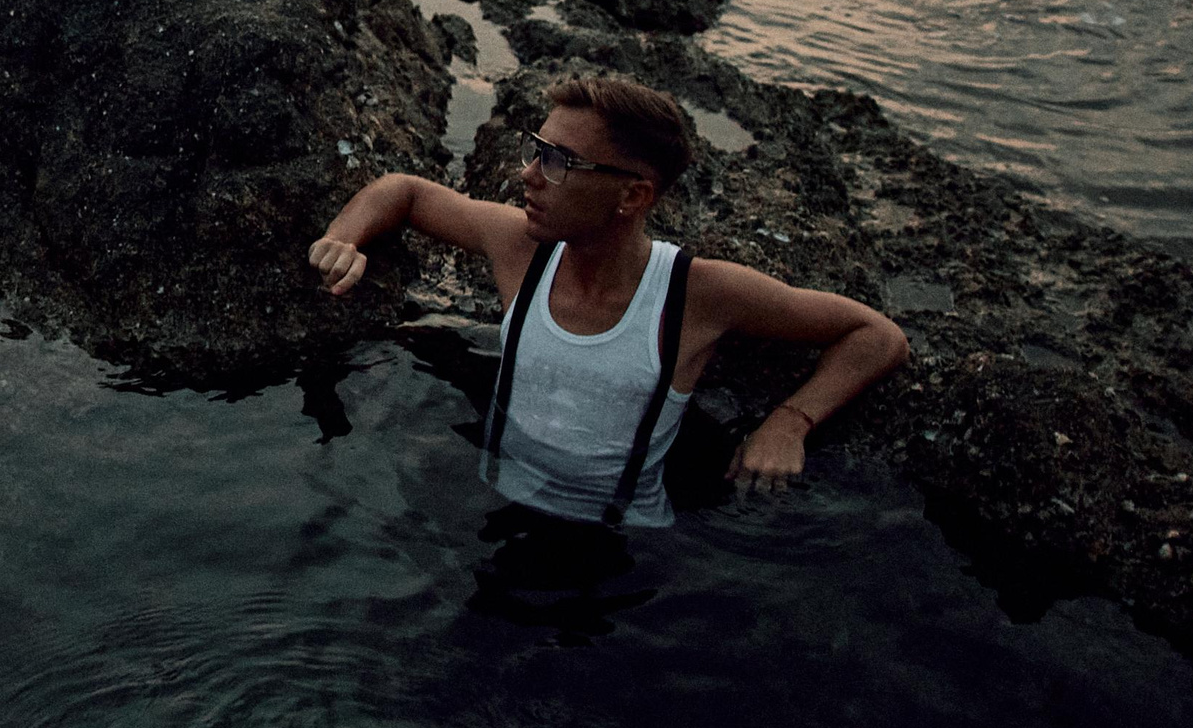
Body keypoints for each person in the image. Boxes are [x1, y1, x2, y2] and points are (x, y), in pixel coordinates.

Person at [308, 74, 908, 528]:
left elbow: (877, 336)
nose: (530, 175)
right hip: (490, 503)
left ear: (633, 196)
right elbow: (405, 192)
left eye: (559, 161)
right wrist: (343, 240)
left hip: (618, 545)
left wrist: (789, 422)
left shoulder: (695, 293)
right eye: (535, 149)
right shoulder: (522, 247)